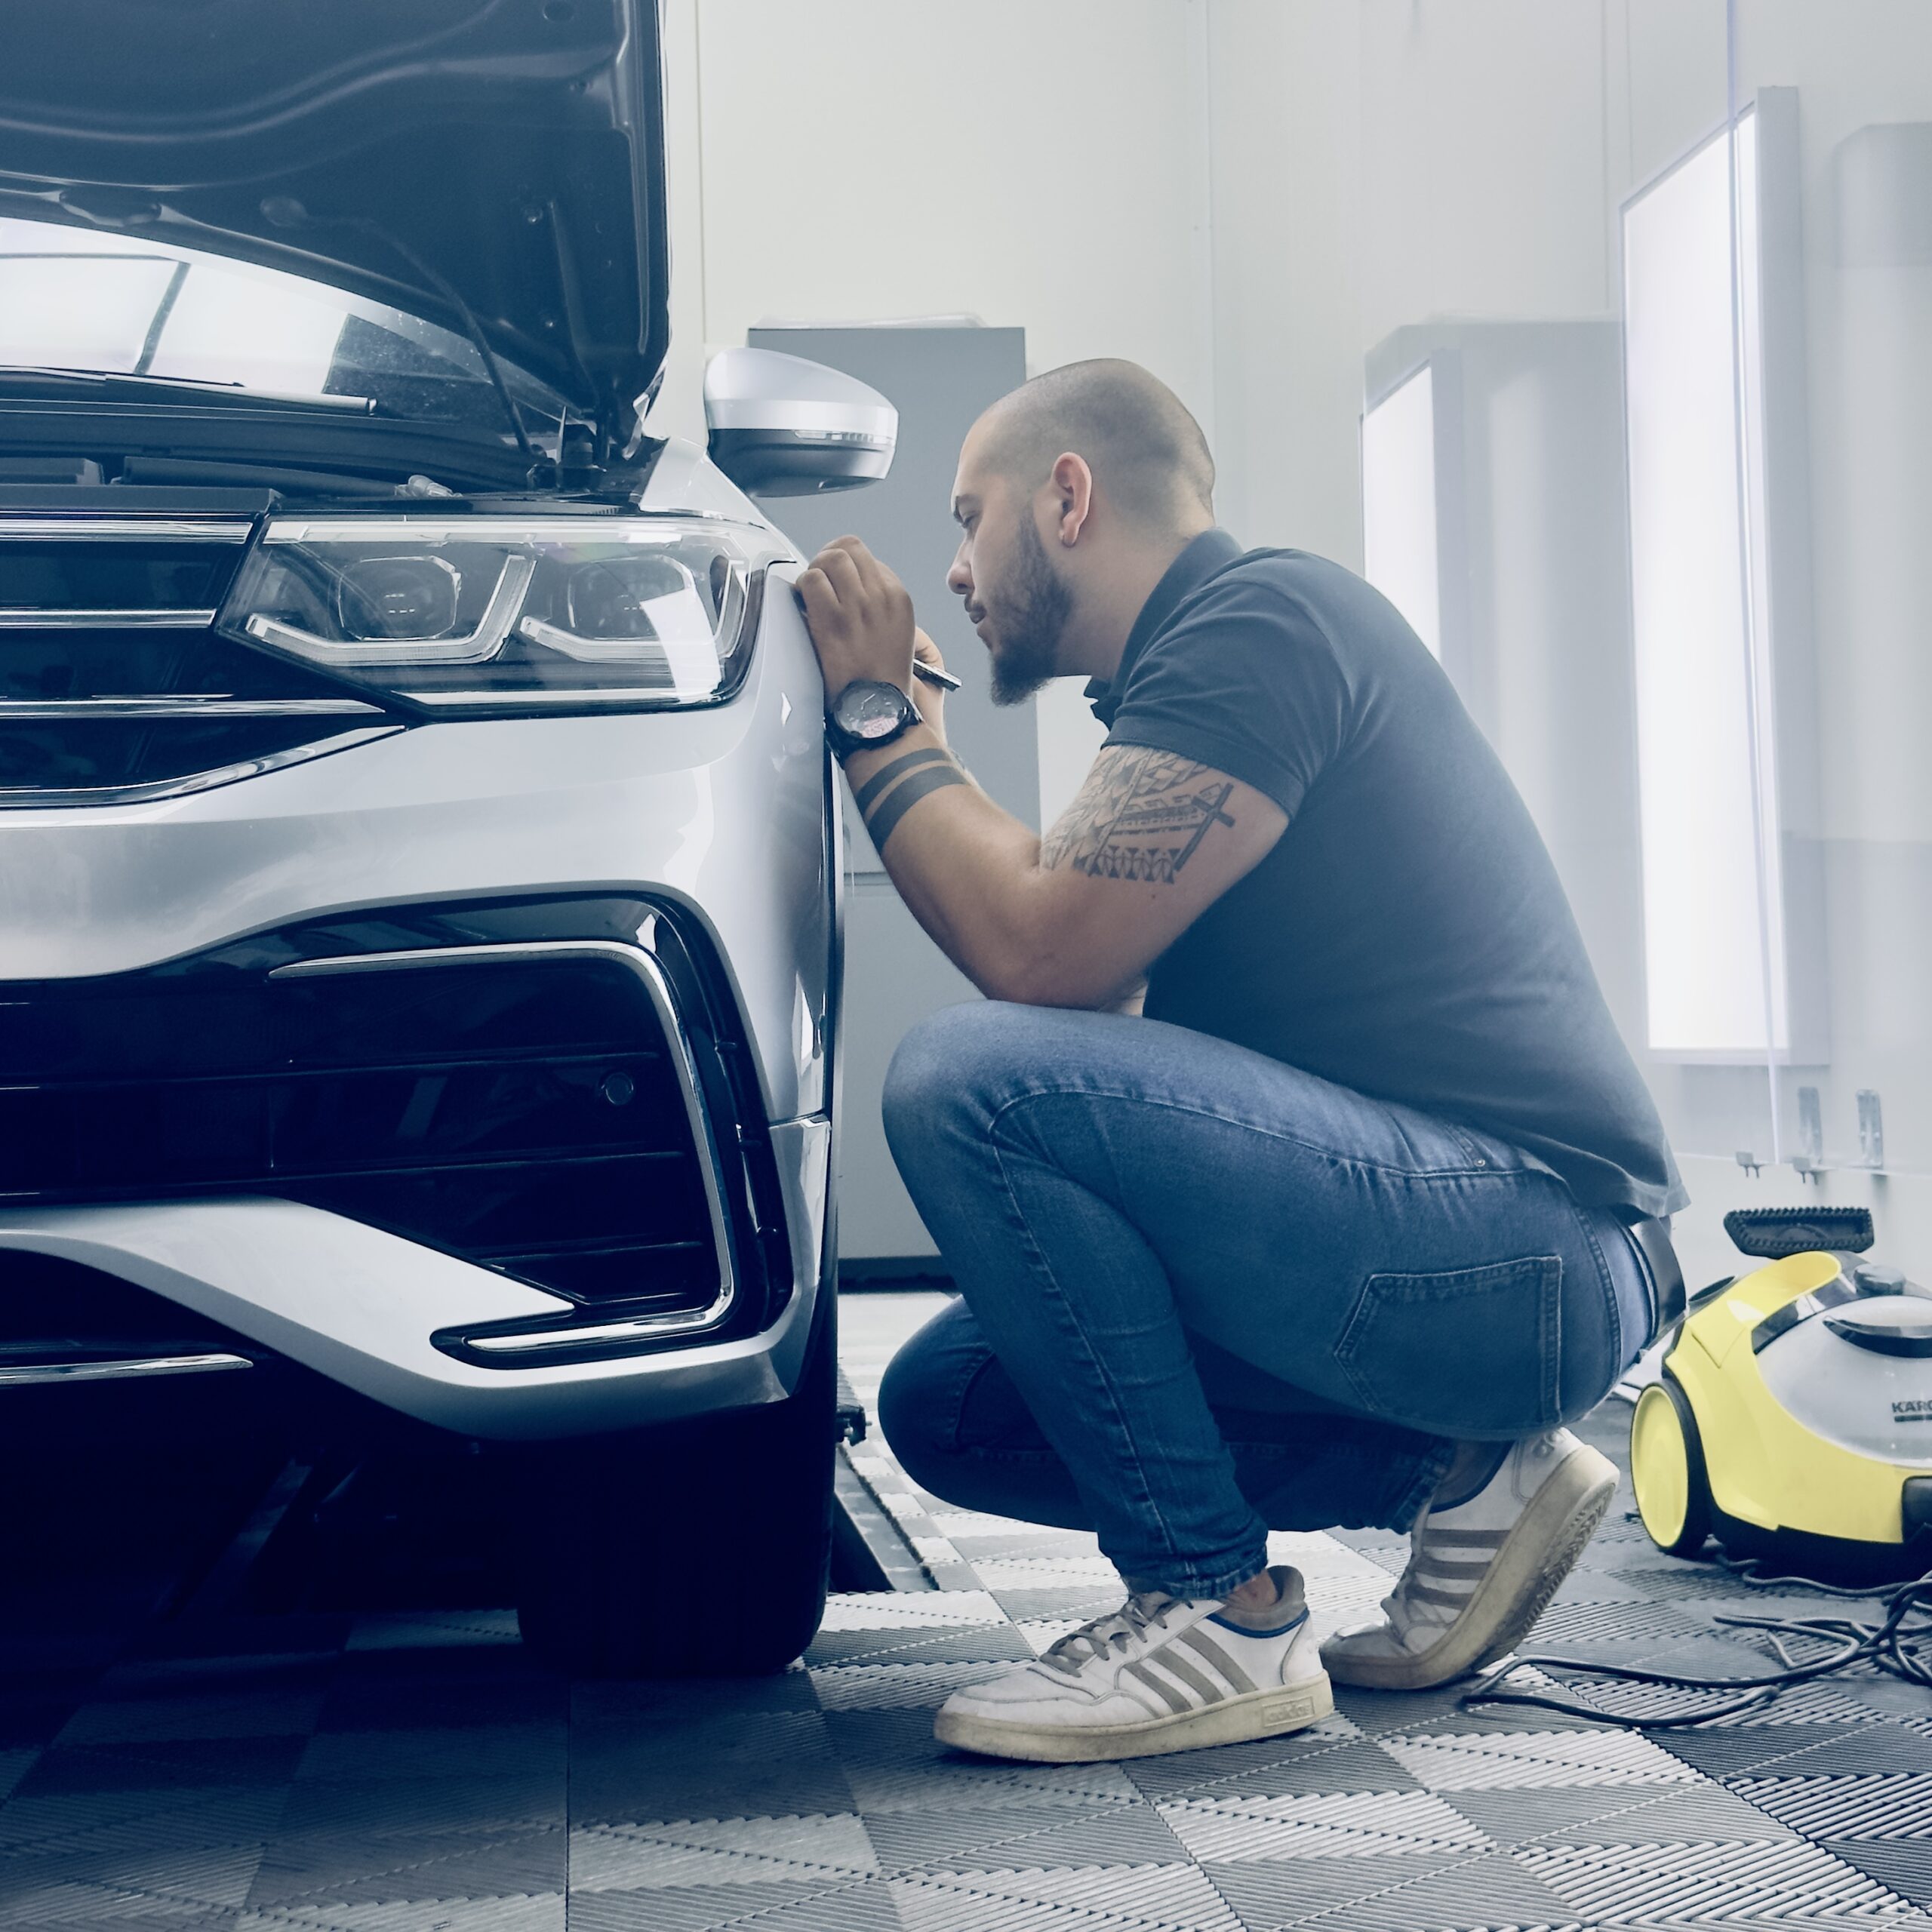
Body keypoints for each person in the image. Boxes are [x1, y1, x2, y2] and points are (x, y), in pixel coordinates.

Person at [795, 358, 1686, 1766]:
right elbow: (1098, 992)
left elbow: (1041, 960)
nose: (955, 570)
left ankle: (1214, 1608)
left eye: (971, 520)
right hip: (1473, 1252)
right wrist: (924, 744)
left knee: (966, 1076)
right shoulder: (1189, 676)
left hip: (1536, 1245)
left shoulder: (1261, 620)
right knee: (953, 1402)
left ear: (1068, 497)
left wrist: (874, 717)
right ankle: (1459, 1467)